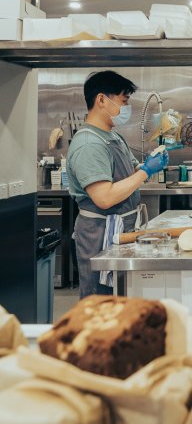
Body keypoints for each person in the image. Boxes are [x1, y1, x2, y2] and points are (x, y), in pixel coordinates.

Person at [67, 71, 169, 298]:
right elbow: (104, 198)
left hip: (121, 229)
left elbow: (127, 174)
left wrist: (150, 164)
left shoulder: (112, 136)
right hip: (100, 234)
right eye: (124, 101)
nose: (126, 108)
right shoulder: (88, 143)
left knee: (122, 297)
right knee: (101, 301)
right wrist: (145, 171)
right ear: (101, 100)